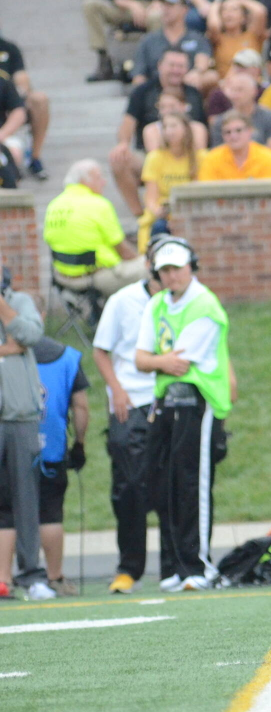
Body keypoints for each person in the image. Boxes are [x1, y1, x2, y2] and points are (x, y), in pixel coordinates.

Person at [135, 237, 233, 592]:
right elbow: (141, 359)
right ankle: (178, 564)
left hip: (199, 401)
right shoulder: (157, 303)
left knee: (192, 482)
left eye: (178, 267)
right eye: (166, 269)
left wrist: (157, 362)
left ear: (192, 267)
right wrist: (160, 362)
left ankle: (199, 564)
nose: (172, 275)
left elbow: (182, 362)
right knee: (165, 482)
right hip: (167, 402)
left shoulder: (204, 303)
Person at [92, 262, 161, 595]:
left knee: (176, 485)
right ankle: (129, 568)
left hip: (172, 400)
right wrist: (117, 391)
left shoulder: (190, 301)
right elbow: (100, 350)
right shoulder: (122, 300)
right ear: (149, 266)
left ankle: (182, 568)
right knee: (130, 486)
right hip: (131, 403)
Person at [0, 258, 50, 600]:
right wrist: (6, 348)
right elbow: (17, 344)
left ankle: (32, 574)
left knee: (26, 498)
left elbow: (31, 334)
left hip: (20, 418)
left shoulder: (20, 303)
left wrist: (4, 308)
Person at [113, 48, 208, 216]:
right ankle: (141, 215)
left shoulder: (193, 94)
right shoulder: (143, 91)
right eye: (172, 65)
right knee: (119, 159)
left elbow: (200, 141)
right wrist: (123, 144)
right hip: (152, 155)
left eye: (181, 66)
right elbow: (127, 124)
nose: (176, 70)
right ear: (160, 66)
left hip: (188, 155)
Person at [30, 335, 90, 597]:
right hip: (52, 448)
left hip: (10, 447)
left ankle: (5, 578)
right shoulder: (67, 357)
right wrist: (79, 443)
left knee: (6, 515)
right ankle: (54, 577)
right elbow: (81, 406)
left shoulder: (6, 351)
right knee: (50, 512)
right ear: (41, 315)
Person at [44, 160, 146, 298]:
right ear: (84, 181)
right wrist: (142, 260)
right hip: (94, 277)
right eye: (99, 177)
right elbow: (124, 252)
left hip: (62, 276)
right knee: (153, 269)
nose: (104, 182)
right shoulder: (99, 205)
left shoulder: (54, 205)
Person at [140, 113, 205, 247]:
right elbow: (151, 199)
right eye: (165, 127)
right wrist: (161, 213)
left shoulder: (201, 157)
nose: (169, 131)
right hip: (163, 216)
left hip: (192, 213)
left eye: (173, 126)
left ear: (186, 129)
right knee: (160, 227)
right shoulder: (155, 157)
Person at [210, 73, 271, 153]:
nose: (235, 95)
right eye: (232, 90)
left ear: (254, 91)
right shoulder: (221, 122)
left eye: (240, 90)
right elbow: (217, 153)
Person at [198, 110, 271, 179]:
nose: (233, 136)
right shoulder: (212, 159)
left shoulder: (268, 158)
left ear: (250, 131)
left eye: (238, 130)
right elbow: (207, 192)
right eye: (228, 132)